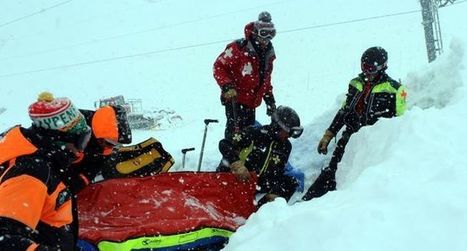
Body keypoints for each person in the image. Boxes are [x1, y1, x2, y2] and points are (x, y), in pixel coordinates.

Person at [302, 46, 408, 201]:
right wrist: (329, 134)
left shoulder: (395, 90)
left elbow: (400, 123)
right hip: (349, 136)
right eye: (363, 67)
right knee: (333, 170)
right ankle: (308, 203)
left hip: (371, 143)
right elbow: (344, 111)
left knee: (356, 177)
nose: (366, 72)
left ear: (382, 67)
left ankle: (346, 204)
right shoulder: (356, 83)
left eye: (370, 68)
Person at [0, 92, 93, 250]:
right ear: (59, 138)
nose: (80, 151)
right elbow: (5, 241)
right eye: (81, 141)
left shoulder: (46, 159)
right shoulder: (32, 170)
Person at [218, 106, 303, 206]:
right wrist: (236, 163)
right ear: (277, 126)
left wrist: (276, 191)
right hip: (240, 178)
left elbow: (278, 171)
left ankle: (263, 209)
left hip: (260, 183)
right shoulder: (254, 133)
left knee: (291, 182)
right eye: (288, 131)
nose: (289, 136)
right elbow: (225, 144)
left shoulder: (286, 147)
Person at [213, 11, 277, 138]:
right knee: (235, 134)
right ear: (256, 32)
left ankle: (244, 156)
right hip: (235, 99)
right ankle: (229, 156)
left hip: (252, 102)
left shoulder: (268, 54)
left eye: (271, 34)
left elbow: (265, 80)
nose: (267, 38)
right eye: (263, 33)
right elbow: (219, 66)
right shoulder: (239, 48)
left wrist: (269, 100)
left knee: (248, 134)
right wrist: (227, 86)